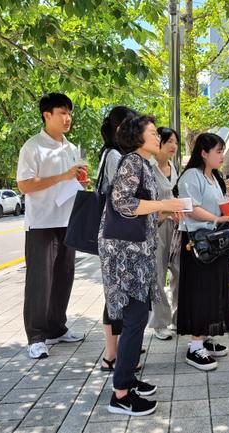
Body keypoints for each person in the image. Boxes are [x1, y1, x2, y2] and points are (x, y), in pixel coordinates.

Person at [99, 114, 185, 416]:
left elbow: (142, 211)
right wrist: (164, 204)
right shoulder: (132, 162)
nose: (158, 137)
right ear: (137, 136)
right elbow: (123, 203)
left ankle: (128, 380)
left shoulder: (143, 164)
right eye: (152, 133)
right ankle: (121, 394)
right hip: (125, 255)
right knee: (135, 317)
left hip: (137, 252)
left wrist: (166, 212)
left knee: (138, 316)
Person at [17, 93, 86, 360]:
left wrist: (80, 182)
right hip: (42, 223)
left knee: (64, 277)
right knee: (40, 282)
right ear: (47, 115)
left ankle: (57, 328)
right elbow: (24, 185)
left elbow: (71, 181)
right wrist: (62, 176)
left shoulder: (71, 148)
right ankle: (36, 337)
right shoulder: (33, 146)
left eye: (69, 113)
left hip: (68, 220)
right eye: (62, 113)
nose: (68, 118)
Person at [176, 133, 229, 371]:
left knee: (214, 291)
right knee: (200, 291)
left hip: (214, 242)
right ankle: (195, 345)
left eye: (223, 151)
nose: (222, 156)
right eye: (218, 151)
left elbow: (220, 204)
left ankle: (205, 337)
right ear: (203, 153)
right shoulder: (192, 175)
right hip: (198, 243)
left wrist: (228, 211)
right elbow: (190, 208)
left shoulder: (215, 177)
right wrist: (217, 218)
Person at [96, 106, 138, 372]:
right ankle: (111, 356)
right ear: (121, 127)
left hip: (118, 234)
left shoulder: (114, 154)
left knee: (118, 293)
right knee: (115, 295)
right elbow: (122, 198)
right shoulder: (113, 155)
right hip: (115, 236)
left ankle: (119, 349)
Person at [147, 127, 180, 341]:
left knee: (179, 271)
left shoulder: (174, 167)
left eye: (176, 142)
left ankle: (178, 317)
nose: (174, 146)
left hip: (176, 227)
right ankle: (160, 323)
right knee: (158, 274)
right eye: (169, 141)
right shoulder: (148, 168)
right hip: (156, 227)